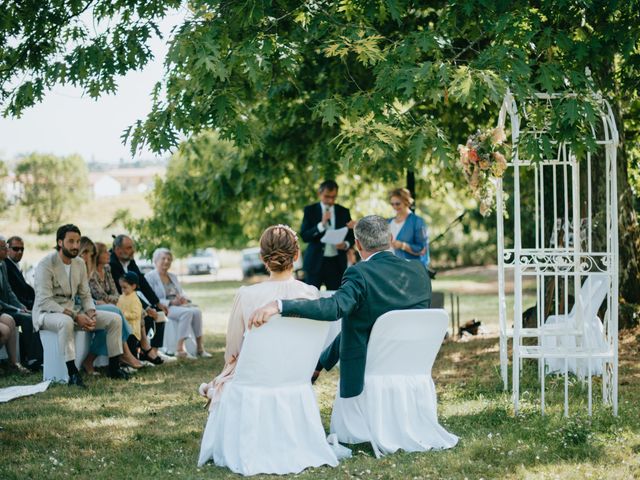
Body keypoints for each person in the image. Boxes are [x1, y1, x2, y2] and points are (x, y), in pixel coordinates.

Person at [249, 215, 432, 399]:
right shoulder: (419, 270)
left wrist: (280, 305)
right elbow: (365, 324)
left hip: (369, 371)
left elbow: (334, 308)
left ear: (358, 245)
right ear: (391, 239)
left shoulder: (360, 273)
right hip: (412, 366)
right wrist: (321, 362)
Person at [198, 225, 319, 409]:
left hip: (255, 380)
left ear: (263, 258)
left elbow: (232, 351)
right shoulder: (311, 294)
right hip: (296, 376)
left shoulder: (246, 295)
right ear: (296, 255)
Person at [33, 224, 128, 387]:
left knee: (115, 319)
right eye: (71, 241)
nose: (76, 245)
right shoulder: (46, 264)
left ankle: (114, 368)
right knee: (66, 321)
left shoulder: (79, 263)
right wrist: (76, 316)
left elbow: (85, 294)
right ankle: (73, 374)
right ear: (60, 242)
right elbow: (44, 300)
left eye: (77, 241)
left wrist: (91, 312)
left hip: (73, 311)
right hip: (47, 313)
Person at [79, 237, 142, 374]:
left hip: (96, 304)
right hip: (87, 307)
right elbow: (95, 295)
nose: (109, 254)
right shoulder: (87, 269)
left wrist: (106, 301)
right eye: (105, 252)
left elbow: (115, 292)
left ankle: (90, 361)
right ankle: (126, 354)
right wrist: (100, 301)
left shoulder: (105, 268)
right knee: (115, 312)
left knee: (113, 317)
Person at [109, 234, 167, 364]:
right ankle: (140, 353)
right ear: (118, 250)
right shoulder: (112, 264)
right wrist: (146, 307)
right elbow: (125, 292)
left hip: (134, 300)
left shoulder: (130, 261)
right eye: (129, 248)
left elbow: (142, 282)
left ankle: (154, 351)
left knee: (160, 313)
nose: (133, 250)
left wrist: (156, 302)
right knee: (143, 315)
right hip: (122, 301)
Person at [145, 248, 210, 358]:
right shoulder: (150, 277)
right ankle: (180, 349)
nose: (166, 261)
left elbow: (181, 292)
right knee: (187, 313)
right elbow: (149, 297)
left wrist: (184, 299)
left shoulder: (172, 276)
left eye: (169, 259)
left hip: (179, 305)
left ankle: (200, 347)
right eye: (163, 258)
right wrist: (170, 302)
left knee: (197, 311)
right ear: (155, 260)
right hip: (164, 307)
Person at [300, 180, 355, 290]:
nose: (330, 200)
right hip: (314, 262)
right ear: (319, 194)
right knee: (311, 297)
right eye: (327, 196)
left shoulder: (343, 211)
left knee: (336, 296)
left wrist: (345, 244)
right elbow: (305, 236)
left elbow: (351, 237)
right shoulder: (310, 210)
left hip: (336, 263)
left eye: (333, 197)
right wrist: (321, 225)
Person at [0, 236, 42, 370]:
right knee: (27, 318)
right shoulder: (6, 264)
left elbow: (9, 291)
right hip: (3, 308)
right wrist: (16, 309)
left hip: (6, 308)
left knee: (29, 315)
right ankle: (33, 360)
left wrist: (21, 306)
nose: (6, 251)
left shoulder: (2, 265)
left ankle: (17, 362)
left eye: (6, 247)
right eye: (4, 248)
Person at [388, 187, 429, 266]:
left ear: (406, 202)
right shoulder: (389, 222)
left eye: (398, 204)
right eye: (392, 204)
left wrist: (403, 246)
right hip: (389, 268)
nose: (395, 207)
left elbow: (422, 249)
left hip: (408, 270)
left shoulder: (417, 222)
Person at [116, 272, 146, 360]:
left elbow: (137, 315)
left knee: (131, 347)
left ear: (133, 286)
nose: (122, 289)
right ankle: (124, 362)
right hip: (123, 327)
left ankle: (133, 361)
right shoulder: (122, 297)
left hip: (132, 330)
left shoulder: (135, 299)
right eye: (121, 287)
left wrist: (123, 314)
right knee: (123, 347)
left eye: (125, 287)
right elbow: (118, 307)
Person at [5, 236, 35, 310]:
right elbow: (14, 294)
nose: (20, 252)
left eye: (22, 249)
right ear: (7, 249)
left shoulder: (15, 265)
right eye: (16, 249)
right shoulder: (6, 266)